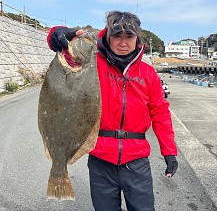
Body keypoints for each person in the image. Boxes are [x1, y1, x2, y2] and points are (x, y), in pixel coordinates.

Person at [47, 11, 178, 211]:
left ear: (138, 39)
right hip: (100, 161)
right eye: (117, 36)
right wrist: (57, 34)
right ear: (108, 37)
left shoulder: (148, 73)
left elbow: (160, 113)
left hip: (137, 162)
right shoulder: (93, 64)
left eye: (129, 36)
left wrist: (169, 151)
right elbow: (68, 53)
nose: (123, 43)